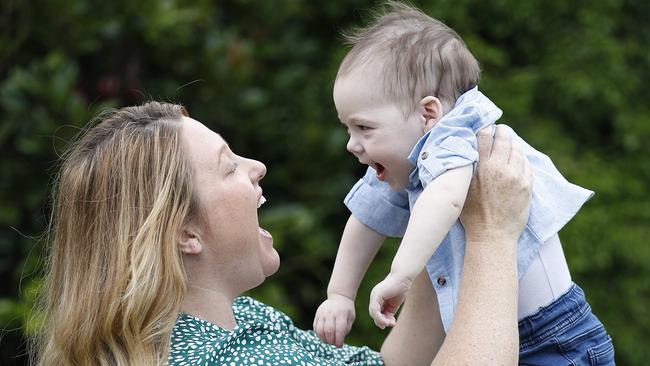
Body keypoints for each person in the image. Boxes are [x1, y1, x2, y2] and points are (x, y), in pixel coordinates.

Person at [31, 101, 531, 365]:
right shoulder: (223, 360)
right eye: (228, 167)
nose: (257, 167)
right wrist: (491, 236)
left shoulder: (242, 323)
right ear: (185, 233)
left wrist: (437, 212)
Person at [314, 2, 614, 364]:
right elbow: (366, 216)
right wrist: (340, 294)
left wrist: (400, 275)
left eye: (364, 127)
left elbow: (446, 199)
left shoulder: (458, 136)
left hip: (554, 339)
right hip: (497, 336)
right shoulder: (405, 155)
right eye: (348, 128)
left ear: (429, 113)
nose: (351, 143)